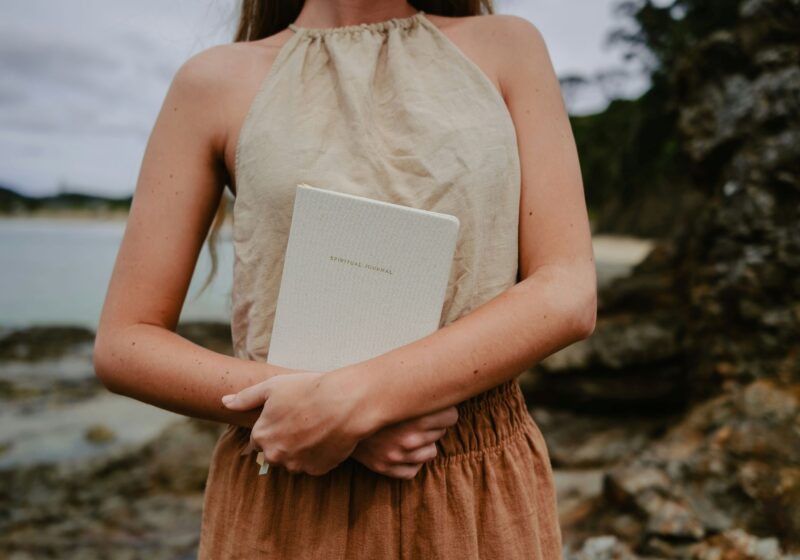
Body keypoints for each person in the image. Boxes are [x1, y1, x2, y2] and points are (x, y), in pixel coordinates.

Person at [93, 0, 597, 557]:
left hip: (471, 478)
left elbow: (567, 289)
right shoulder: (213, 82)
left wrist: (355, 403)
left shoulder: (507, 48)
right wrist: (312, 413)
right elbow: (125, 341)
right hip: (288, 480)